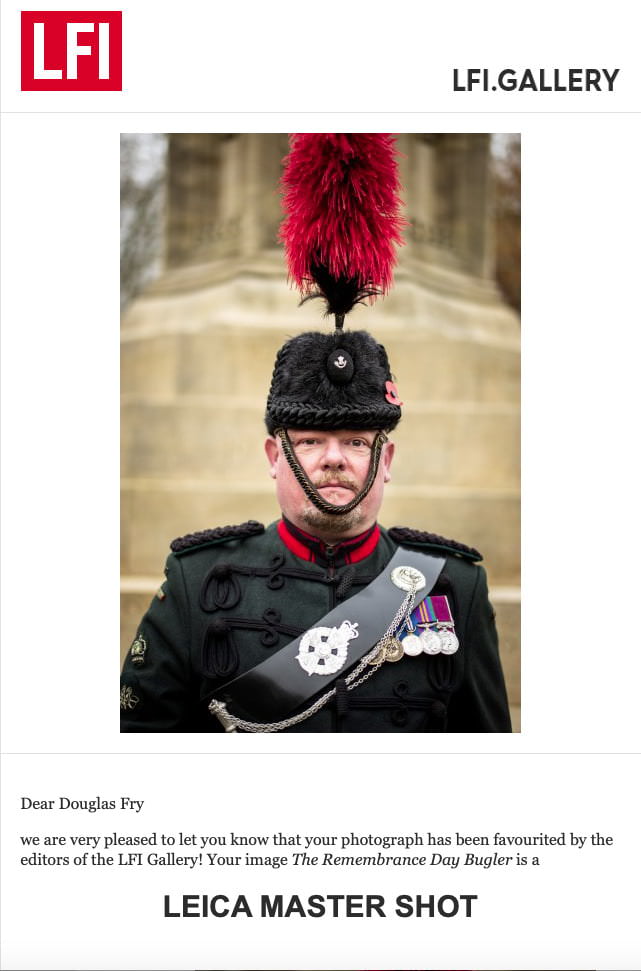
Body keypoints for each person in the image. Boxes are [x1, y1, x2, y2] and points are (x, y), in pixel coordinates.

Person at [120, 134, 512, 733]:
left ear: (387, 459)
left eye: (357, 442)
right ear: (274, 455)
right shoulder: (197, 579)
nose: (335, 459)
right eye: (309, 441)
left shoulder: (454, 584)